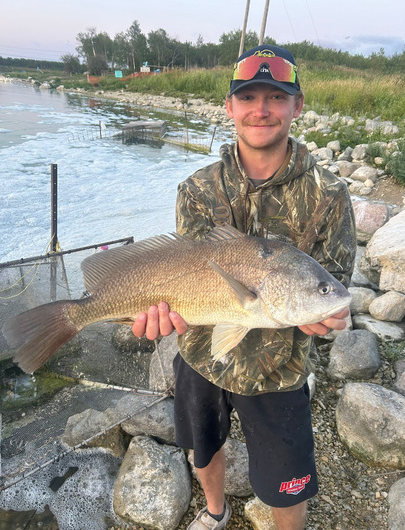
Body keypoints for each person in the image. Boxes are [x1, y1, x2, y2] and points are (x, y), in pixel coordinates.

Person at [132, 44, 356, 530]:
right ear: (230, 107)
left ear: (297, 105)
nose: (262, 109)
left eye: (276, 97)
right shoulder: (196, 188)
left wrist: (331, 317)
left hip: (280, 372)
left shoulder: (332, 195)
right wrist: (156, 313)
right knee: (203, 446)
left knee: (287, 482)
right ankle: (216, 512)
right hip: (201, 355)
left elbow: (333, 286)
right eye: (249, 97)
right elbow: (179, 269)